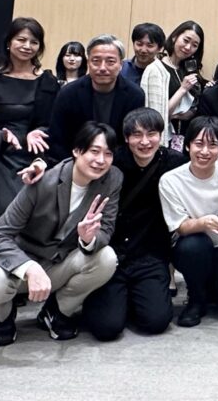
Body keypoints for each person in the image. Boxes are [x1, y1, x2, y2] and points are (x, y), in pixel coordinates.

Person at [0, 122, 122, 346]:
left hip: (59, 264)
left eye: (108, 154)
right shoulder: (42, 180)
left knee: (107, 258)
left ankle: (57, 312)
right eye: (94, 151)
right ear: (77, 151)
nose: (101, 160)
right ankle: (2, 317)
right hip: (21, 265)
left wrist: (89, 238)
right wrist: (29, 267)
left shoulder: (112, 178)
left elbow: (106, 229)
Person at [0, 17, 60, 272]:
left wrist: (37, 132)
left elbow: (51, 121)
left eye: (34, 42)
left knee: (28, 217)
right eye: (21, 40)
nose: (27, 46)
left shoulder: (47, 80)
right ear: (9, 42)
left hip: (32, 155)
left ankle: (24, 274)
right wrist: (1, 136)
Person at [80, 109, 185, 341]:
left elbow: (201, 171)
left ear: (161, 135)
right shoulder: (113, 162)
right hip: (112, 255)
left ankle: (129, 299)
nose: (145, 142)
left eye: (151, 134)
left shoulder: (174, 163)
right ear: (126, 138)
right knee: (107, 328)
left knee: (157, 321)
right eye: (137, 135)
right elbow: (80, 166)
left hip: (150, 255)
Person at [160, 117, 218, 327]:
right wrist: (203, 223)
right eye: (199, 144)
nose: (204, 151)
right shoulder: (171, 180)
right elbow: (179, 226)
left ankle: (214, 287)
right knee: (193, 245)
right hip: (195, 248)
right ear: (187, 145)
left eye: (212, 145)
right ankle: (196, 299)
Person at [38, 34, 145, 162]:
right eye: (96, 61)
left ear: (121, 64)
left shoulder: (135, 95)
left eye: (110, 62)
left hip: (118, 164)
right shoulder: (68, 93)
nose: (102, 68)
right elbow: (57, 139)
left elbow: (132, 139)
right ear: (88, 62)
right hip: (74, 162)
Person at [141, 20, 207, 150]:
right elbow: (157, 116)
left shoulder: (188, 69)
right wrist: (183, 89)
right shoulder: (156, 69)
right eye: (186, 40)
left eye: (194, 45)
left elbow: (197, 106)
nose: (188, 47)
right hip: (165, 140)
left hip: (187, 140)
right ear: (174, 37)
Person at [120, 22, 166, 87]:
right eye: (139, 44)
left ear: (159, 48)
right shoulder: (121, 67)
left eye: (150, 46)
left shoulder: (163, 72)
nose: (143, 50)